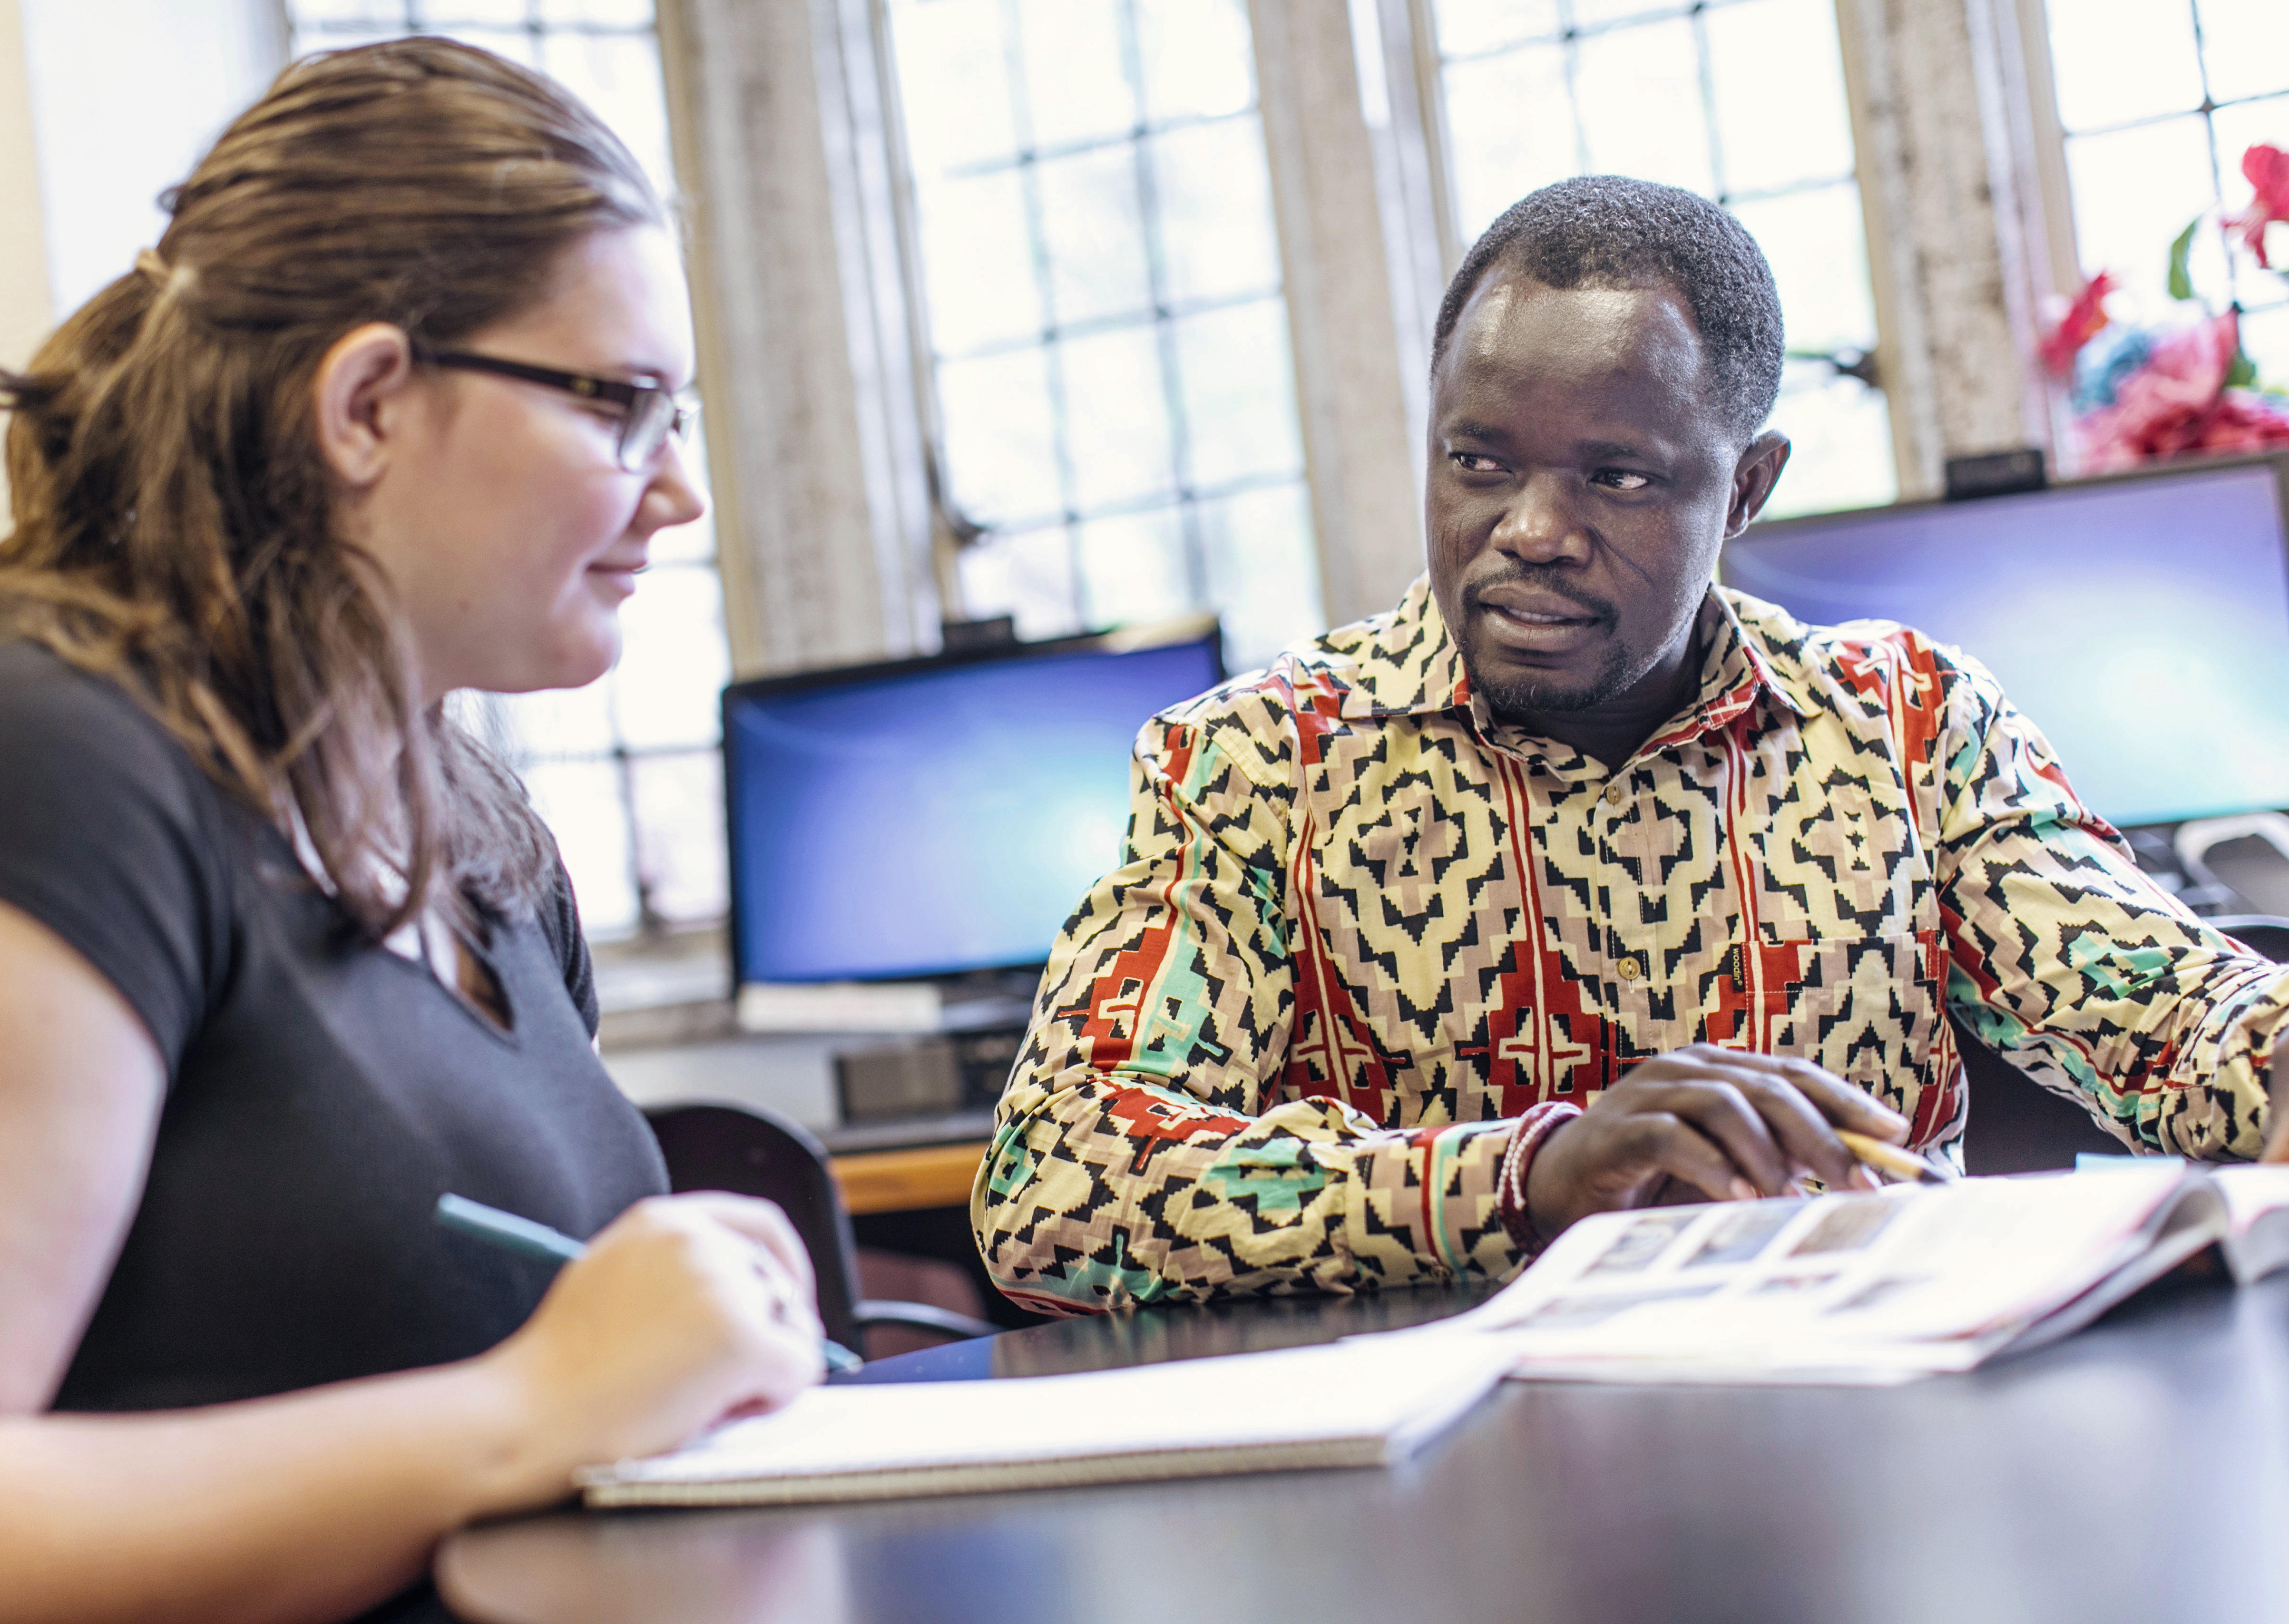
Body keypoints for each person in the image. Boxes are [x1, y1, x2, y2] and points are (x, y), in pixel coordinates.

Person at [0, 39, 822, 1624]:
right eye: (626, 409)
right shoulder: (18, 752)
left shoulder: (483, 833)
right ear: (369, 400)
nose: (678, 496)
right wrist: (531, 1407)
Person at [975, 175, 2289, 1315]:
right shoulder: (1258, 761)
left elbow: (2180, 1017)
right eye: (1479, 462)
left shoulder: (1912, 725)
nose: (1532, 529)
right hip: (1444, 1504)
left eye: (1617, 477)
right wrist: (1529, 1179)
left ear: (1747, 489)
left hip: (1865, 1449)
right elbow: (1059, 1184)